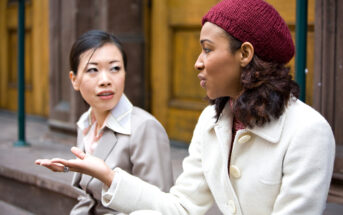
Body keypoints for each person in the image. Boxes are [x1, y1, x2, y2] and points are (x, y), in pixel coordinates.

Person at [36, 0, 336, 214]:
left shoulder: (308, 132)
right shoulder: (212, 121)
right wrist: (108, 175)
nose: (198, 61)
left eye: (207, 49)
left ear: (244, 53)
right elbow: (180, 207)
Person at [35, 30, 174, 215]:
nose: (105, 80)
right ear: (74, 80)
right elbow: (88, 198)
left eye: (115, 68)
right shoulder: (85, 123)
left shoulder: (145, 128)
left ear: (125, 72)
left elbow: (161, 206)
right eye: (93, 70)